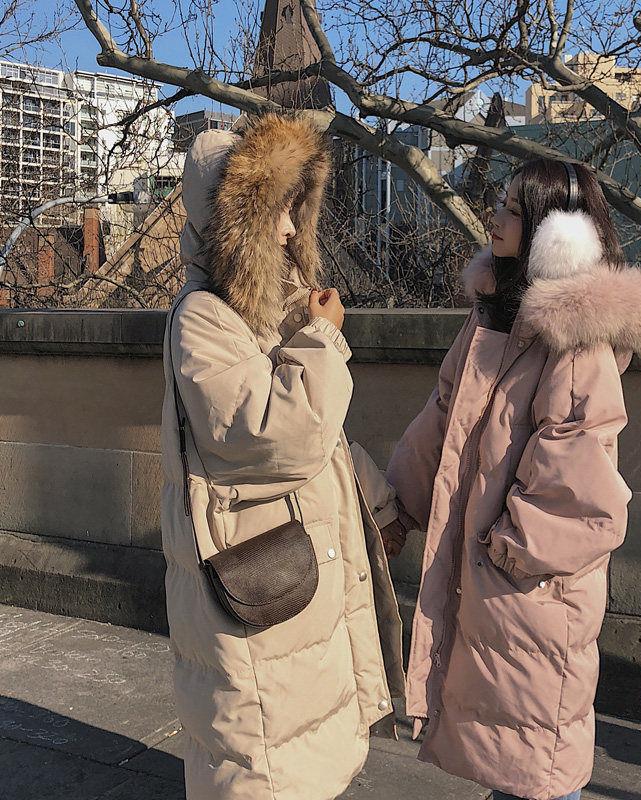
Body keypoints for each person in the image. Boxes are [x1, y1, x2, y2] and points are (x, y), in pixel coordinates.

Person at [381, 158, 641, 800]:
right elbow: (444, 419)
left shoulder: (576, 341)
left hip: (533, 592)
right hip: (498, 583)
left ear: (555, 232)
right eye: (501, 204)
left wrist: (506, 549)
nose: (495, 217)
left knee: (537, 766)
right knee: (509, 763)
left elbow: (579, 485)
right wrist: (396, 507)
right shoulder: (493, 317)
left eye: (514, 210)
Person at [160, 112, 404, 800]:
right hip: (259, 587)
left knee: (301, 751)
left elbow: (327, 442)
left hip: (289, 578)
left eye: (298, 210)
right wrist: (323, 339)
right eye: (277, 213)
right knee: (260, 762)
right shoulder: (203, 317)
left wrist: (379, 502)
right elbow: (277, 436)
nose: (292, 230)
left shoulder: (261, 314)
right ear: (235, 226)